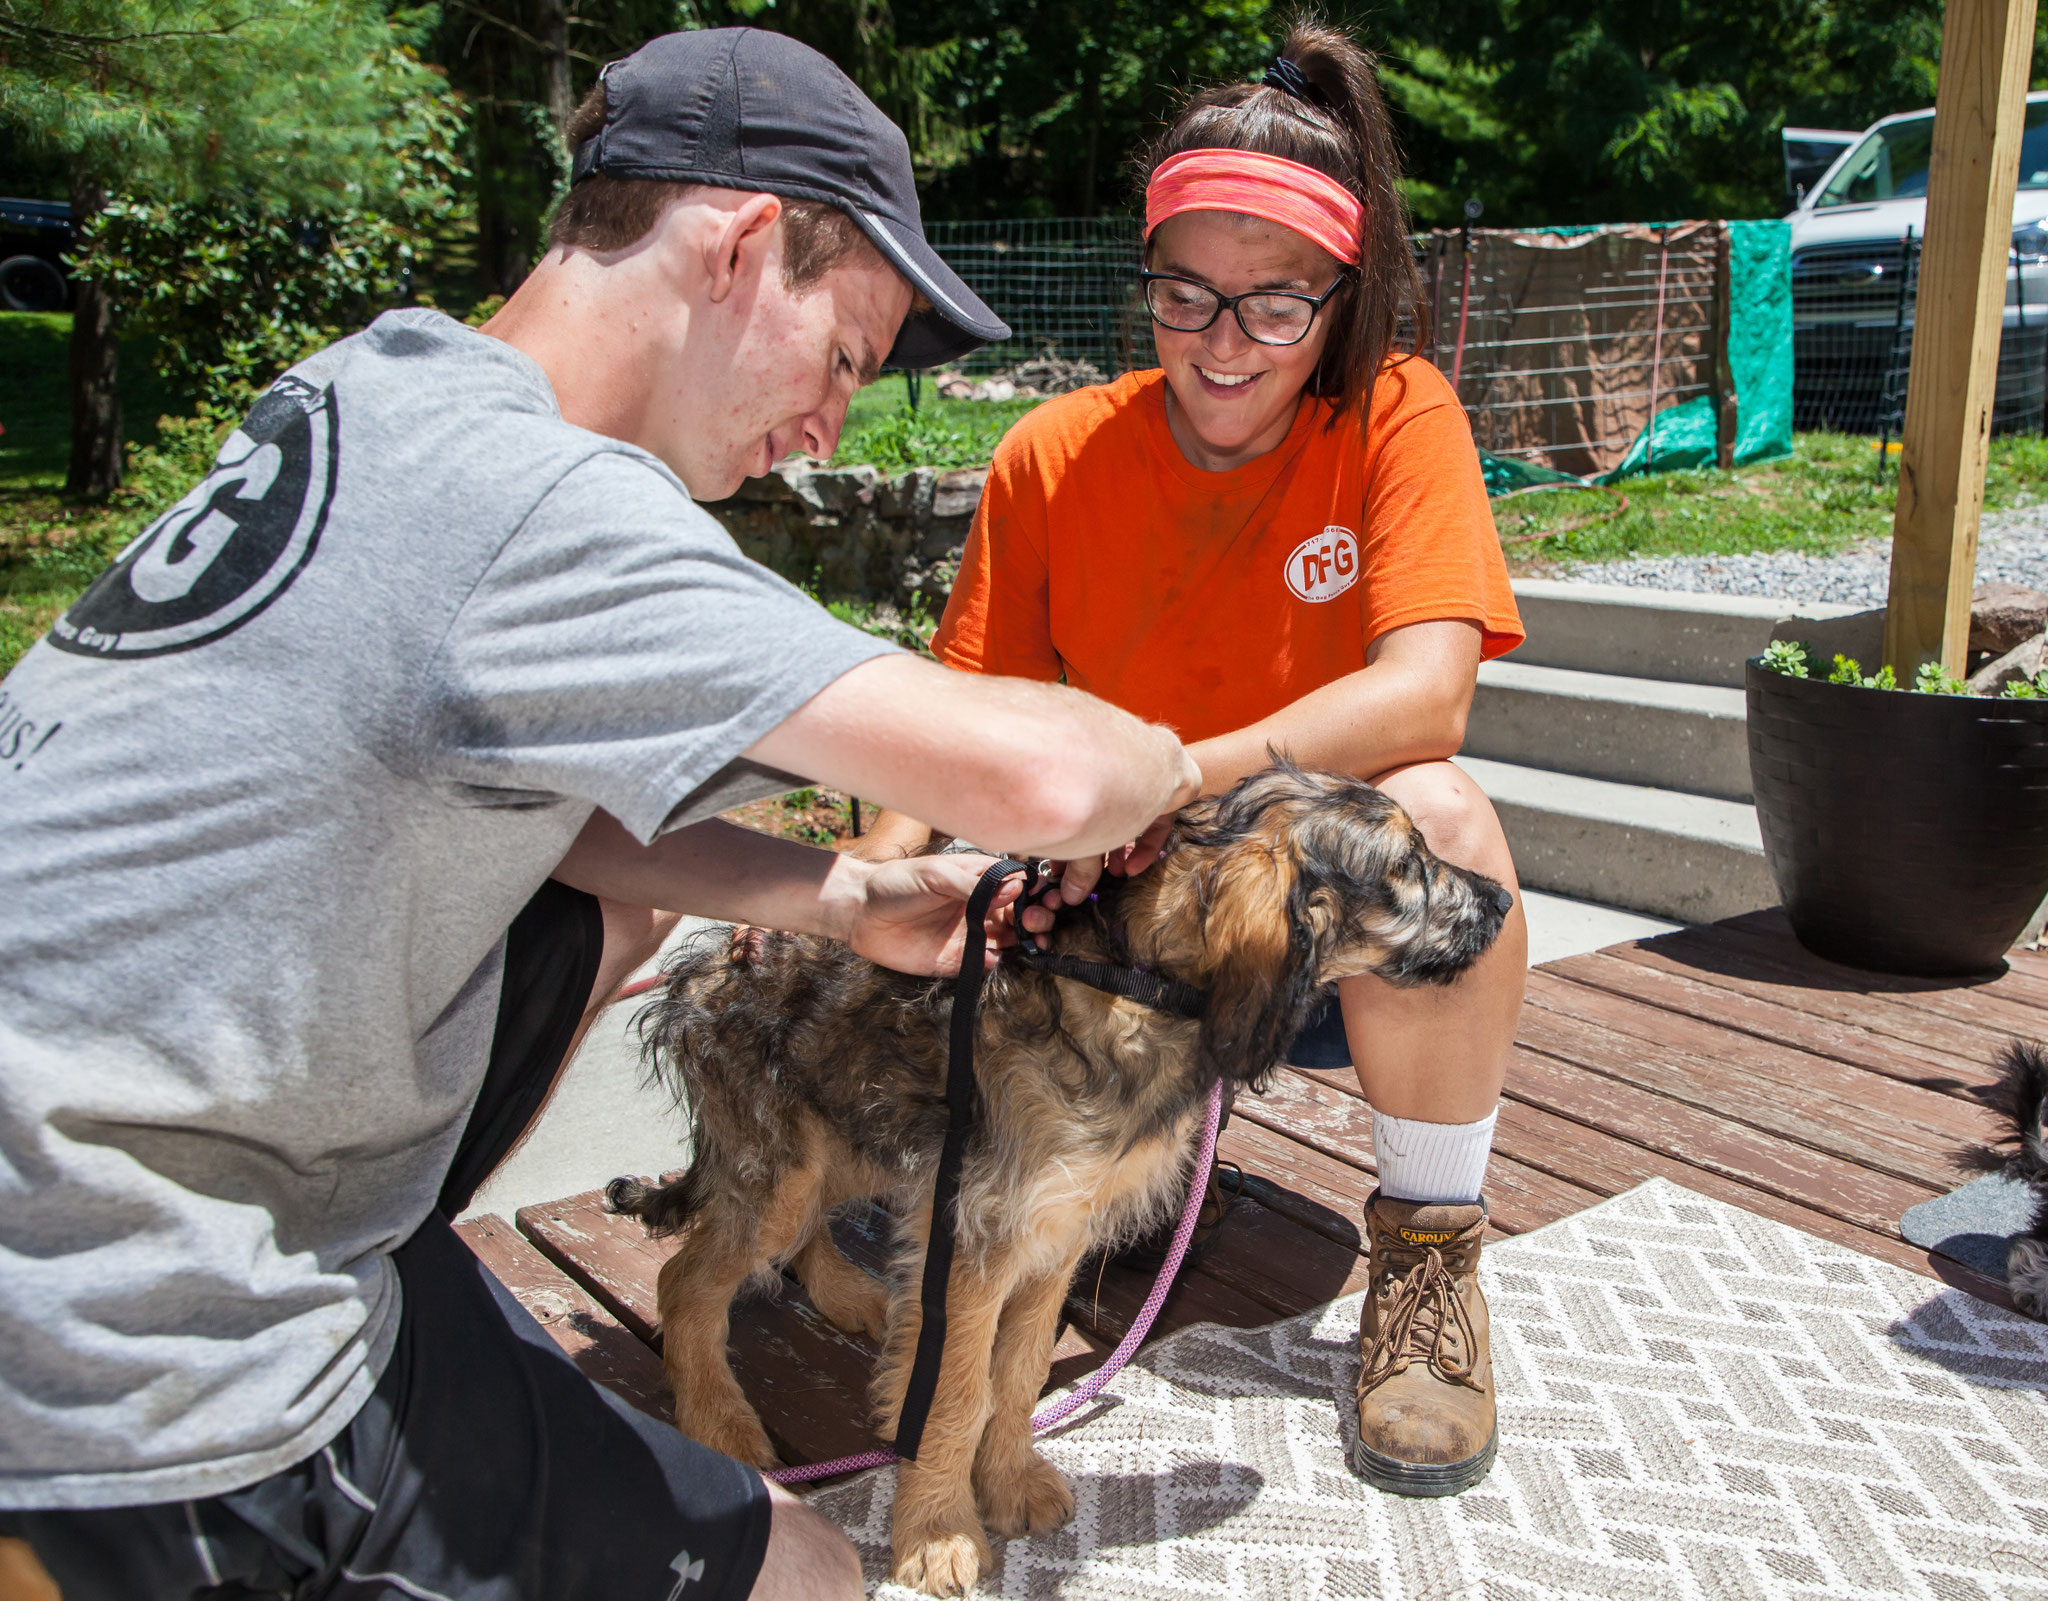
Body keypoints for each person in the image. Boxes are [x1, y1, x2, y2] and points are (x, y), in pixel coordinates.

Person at [0, 29, 1200, 1601]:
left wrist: (836, 897)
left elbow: (541, 819)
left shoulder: (372, 388)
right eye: (843, 357)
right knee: (807, 1572)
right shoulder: (548, 503)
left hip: (65, 1201)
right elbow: (1041, 781)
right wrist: (1177, 762)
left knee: (588, 911)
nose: (832, 425)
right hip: (140, 1361)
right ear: (746, 244)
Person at [847, 22, 1526, 1499]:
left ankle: (1425, 1259)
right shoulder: (1050, 455)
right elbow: (952, 717)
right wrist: (856, 880)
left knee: (1445, 823)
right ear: (1142, 281)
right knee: (904, 954)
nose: (1224, 343)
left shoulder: (1399, 413)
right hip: (1096, 945)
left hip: (1295, 938)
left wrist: (1161, 775)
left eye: (1276, 305)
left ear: (1342, 301)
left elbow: (1431, 691)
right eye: (1185, 294)